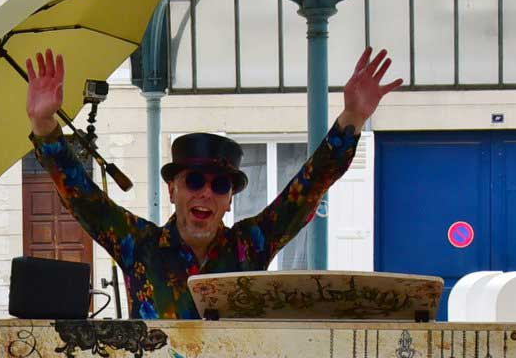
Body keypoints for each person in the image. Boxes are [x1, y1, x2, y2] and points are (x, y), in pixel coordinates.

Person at [24, 47, 404, 319]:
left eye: (220, 186)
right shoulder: (138, 245)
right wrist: (45, 125)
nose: (205, 192)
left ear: (230, 200)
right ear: (173, 190)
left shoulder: (250, 245)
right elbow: (83, 197)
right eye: (194, 181)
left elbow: (306, 190)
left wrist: (352, 117)